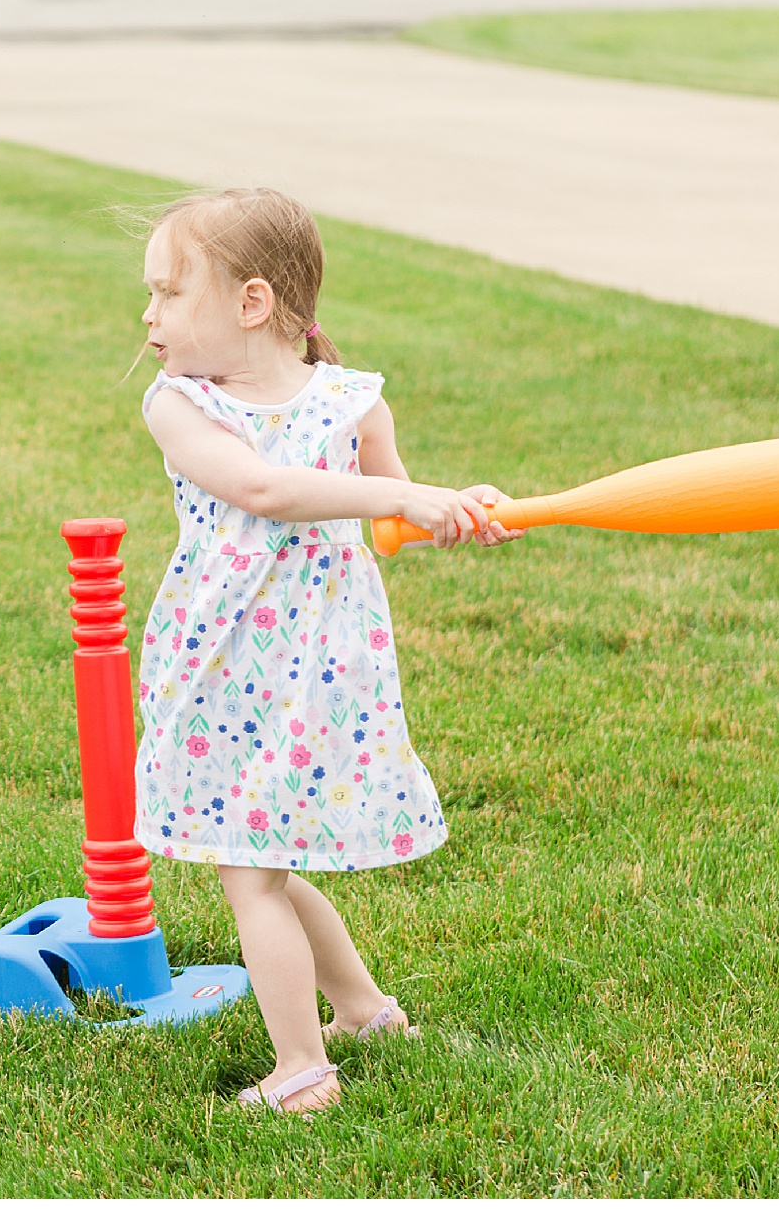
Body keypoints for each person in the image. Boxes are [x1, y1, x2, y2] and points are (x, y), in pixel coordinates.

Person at [132, 188, 522, 1116]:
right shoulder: (180, 405)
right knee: (261, 855)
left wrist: (452, 511)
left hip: (320, 666)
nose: (148, 318)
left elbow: (393, 513)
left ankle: (301, 1071)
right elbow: (264, 489)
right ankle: (364, 1012)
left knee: (250, 868)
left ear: (252, 303)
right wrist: (411, 498)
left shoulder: (352, 403)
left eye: (166, 294)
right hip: (226, 661)